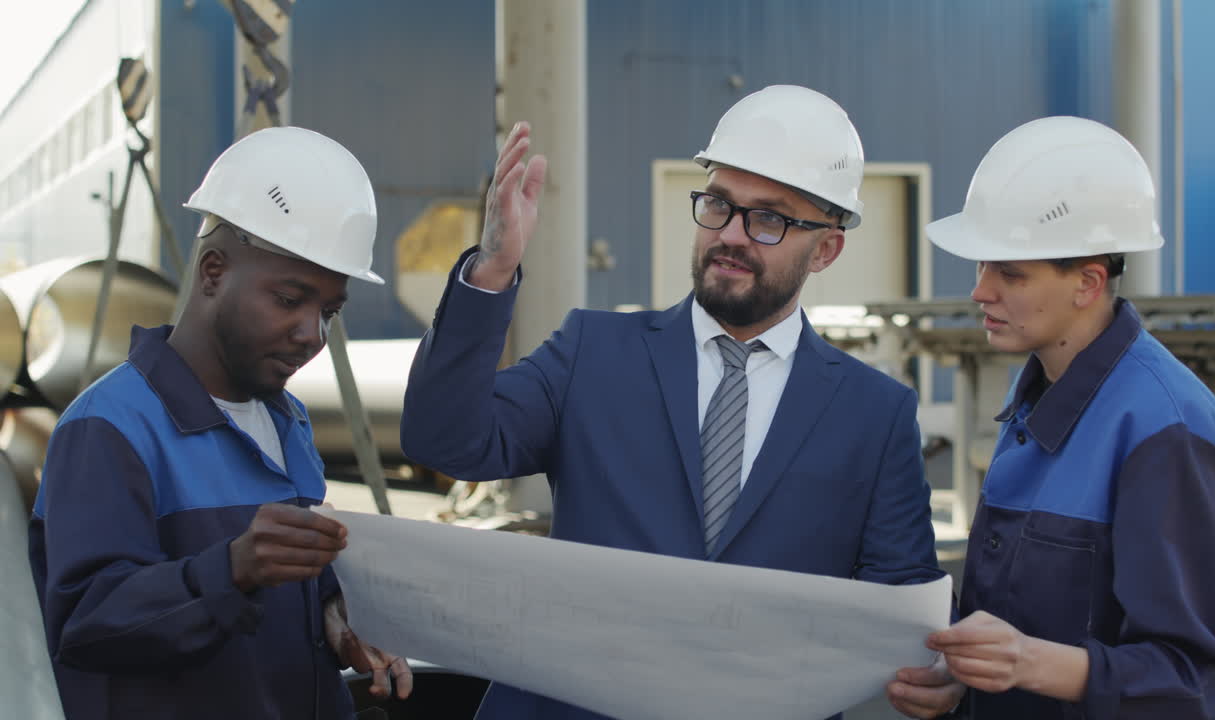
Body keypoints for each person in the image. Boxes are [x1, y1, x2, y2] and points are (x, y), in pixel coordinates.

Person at [401, 84, 947, 719]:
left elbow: (903, 605)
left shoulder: (873, 413)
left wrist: (938, 668)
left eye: (769, 218)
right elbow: (443, 441)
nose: (733, 235)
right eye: (719, 204)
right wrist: (492, 272)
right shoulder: (592, 352)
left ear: (825, 248)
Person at [889, 116, 1215, 719]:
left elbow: (1194, 682)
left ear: (1089, 282)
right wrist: (964, 677)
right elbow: (1022, 625)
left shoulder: (1164, 434)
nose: (980, 292)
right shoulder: (1039, 396)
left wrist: (1027, 663)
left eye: (1010, 272)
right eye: (982, 266)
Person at [29, 126, 412, 720]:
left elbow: (287, 582)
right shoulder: (110, 428)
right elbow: (86, 627)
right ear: (212, 271)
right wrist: (231, 570)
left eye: (329, 311)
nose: (312, 333)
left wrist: (336, 617)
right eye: (290, 300)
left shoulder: (289, 421)